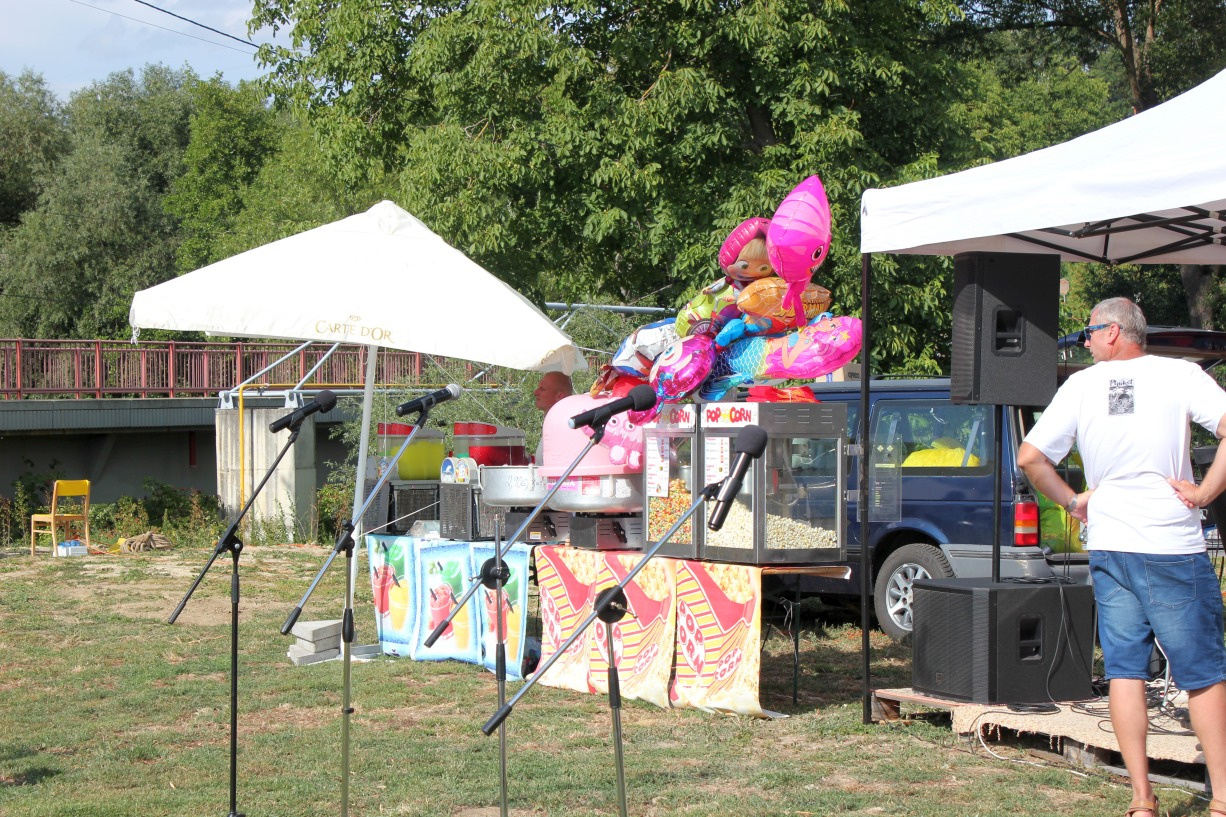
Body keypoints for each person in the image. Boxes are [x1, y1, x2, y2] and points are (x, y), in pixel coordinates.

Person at [1017, 297, 1226, 817]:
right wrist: (1205, 493)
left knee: (1126, 671)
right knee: (1201, 672)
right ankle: (1222, 798)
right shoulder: (1182, 374)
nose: (1084, 342)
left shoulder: (1080, 387)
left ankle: (1142, 799)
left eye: (1088, 332)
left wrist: (1073, 502)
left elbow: (1030, 458)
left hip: (1110, 543)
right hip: (1170, 544)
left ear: (1113, 332)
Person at [531, 371, 573, 462]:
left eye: (542, 389)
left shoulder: (565, 429)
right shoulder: (553, 425)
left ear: (559, 396)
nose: (535, 392)